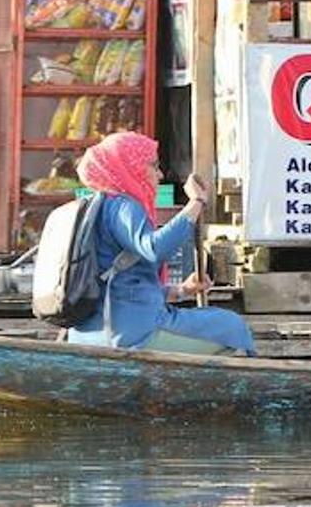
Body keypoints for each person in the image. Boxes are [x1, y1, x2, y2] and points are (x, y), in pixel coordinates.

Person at [67, 131, 256, 356]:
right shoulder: (123, 206)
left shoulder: (97, 207)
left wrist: (181, 290)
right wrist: (195, 203)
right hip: (129, 334)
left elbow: (123, 284)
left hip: (91, 333)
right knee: (232, 327)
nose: (159, 174)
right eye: (153, 166)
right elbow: (154, 249)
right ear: (130, 167)